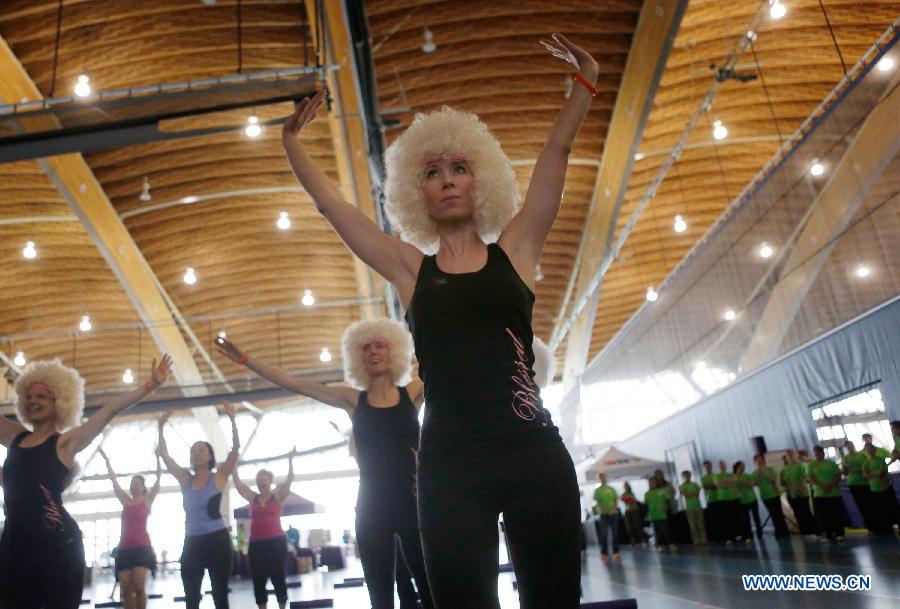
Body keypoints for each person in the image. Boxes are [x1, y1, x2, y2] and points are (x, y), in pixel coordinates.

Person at [280, 29, 599, 609]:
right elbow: (335, 208)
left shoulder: (518, 249)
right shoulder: (409, 269)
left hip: (533, 453)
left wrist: (585, 83)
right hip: (449, 467)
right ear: (416, 194)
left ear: (480, 180)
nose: (447, 179)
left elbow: (556, 155)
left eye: (458, 168)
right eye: (431, 172)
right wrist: (292, 143)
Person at [217, 320, 433, 609]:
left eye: (379, 345)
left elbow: (448, 365)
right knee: (381, 598)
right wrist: (244, 359)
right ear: (359, 358)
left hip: (412, 504)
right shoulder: (353, 399)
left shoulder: (413, 392)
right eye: (366, 347)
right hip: (372, 508)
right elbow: (295, 384)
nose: (373, 351)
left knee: (430, 590)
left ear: (393, 350)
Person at [0, 356, 171, 609]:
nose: (34, 401)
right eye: (29, 397)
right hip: (15, 544)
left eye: (42, 397)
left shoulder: (65, 443)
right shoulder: (14, 436)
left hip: (57, 547)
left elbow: (109, 410)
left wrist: (150, 385)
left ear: (59, 401)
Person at [157, 403, 240, 609]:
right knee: (191, 598)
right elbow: (165, 455)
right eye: (193, 451)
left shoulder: (218, 477)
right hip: (192, 542)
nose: (196, 454)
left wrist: (232, 419)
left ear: (210, 456)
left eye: (201, 450)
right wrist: (160, 427)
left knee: (220, 595)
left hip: (218, 541)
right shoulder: (185, 478)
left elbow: (236, 450)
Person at [232, 449, 297, 609]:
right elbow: (239, 484)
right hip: (256, 544)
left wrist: (290, 460)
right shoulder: (252, 497)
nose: (261, 482)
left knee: (278, 576)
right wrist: (233, 466)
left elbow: (289, 480)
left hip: (276, 542)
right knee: (258, 578)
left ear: (270, 480)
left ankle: (282, 605)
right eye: (259, 479)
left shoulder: (278, 496)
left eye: (264, 479)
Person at [99, 447, 162, 609]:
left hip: (142, 547)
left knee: (139, 586)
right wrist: (106, 461)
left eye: (136, 484)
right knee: (126, 589)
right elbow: (114, 481)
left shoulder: (147, 501)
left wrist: (158, 458)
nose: (133, 487)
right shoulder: (125, 500)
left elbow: (158, 480)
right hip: (125, 548)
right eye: (132, 485)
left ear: (142, 487)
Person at [806, 446, 846, 542]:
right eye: (814, 453)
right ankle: (828, 534)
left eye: (818, 452)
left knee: (836, 514)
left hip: (833, 493)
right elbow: (810, 477)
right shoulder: (811, 465)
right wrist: (821, 486)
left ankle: (839, 533)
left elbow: (838, 475)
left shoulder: (831, 463)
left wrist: (830, 485)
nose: (816, 454)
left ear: (822, 453)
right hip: (819, 494)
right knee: (823, 516)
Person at [862, 442, 899, 534]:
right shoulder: (866, 462)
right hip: (874, 489)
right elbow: (865, 475)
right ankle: (887, 528)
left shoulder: (880, 459)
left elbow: (881, 472)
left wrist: (870, 474)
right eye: (867, 450)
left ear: (874, 450)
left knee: (893, 508)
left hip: (885, 488)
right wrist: (872, 474)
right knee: (881, 511)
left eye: (871, 449)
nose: (870, 451)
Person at [781, 449, 817, 537]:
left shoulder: (801, 466)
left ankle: (813, 531)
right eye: (788, 455)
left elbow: (803, 478)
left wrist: (797, 489)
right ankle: (804, 532)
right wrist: (792, 490)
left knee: (806, 512)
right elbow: (787, 480)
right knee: (798, 513)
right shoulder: (785, 469)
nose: (790, 457)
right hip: (793, 494)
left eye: (791, 455)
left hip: (802, 493)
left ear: (795, 456)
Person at [753, 453, 788, 538]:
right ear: (755, 462)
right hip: (765, 496)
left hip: (774, 494)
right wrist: (758, 476)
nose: (759, 462)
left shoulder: (770, 469)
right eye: (758, 461)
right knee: (773, 514)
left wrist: (764, 475)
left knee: (779, 514)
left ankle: (785, 532)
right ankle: (778, 532)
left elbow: (773, 480)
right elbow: (755, 484)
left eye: (761, 460)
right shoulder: (755, 473)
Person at [841, 440, 873, 530]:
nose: (850, 447)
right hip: (853, 484)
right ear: (846, 448)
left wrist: (858, 471)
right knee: (861, 505)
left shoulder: (862, 455)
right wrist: (845, 467)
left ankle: (876, 524)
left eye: (851, 445)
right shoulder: (845, 458)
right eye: (847, 446)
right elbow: (845, 473)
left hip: (865, 482)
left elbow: (868, 467)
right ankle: (869, 527)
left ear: (853, 445)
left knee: (870, 504)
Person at [592, 472, 620, 560]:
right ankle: (604, 553)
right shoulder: (598, 490)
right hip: (604, 514)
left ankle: (616, 552)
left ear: (606, 478)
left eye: (604, 477)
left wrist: (613, 510)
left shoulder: (611, 489)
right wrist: (606, 510)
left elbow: (615, 500)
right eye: (601, 477)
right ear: (599, 479)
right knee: (604, 533)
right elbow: (598, 502)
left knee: (615, 533)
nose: (603, 479)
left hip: (613, 514)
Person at [645, 477, 674, 552]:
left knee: (665, 529)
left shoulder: (663, 490)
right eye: (651, 482)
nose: (652, 483)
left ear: (656, 482)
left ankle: (671, 544)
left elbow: (667, 500)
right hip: (654, 514)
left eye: (654, 482)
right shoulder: (647, 494)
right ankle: (661, 545)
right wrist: (648, 515)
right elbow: (647, 505)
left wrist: (666, 507)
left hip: (662, 513)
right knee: (657, 530)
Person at [736, 461, 762, 542]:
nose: (743, 467)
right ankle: (749, 536)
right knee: (746, 519)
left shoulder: (748, 475)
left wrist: (743, 482)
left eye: (744, 466)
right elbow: (736, 489)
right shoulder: (734, 477)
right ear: (738, 467)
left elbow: (751, 485)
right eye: (742, 466)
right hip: (743, 501)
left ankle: (759, 534)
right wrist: (742, 484)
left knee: (756, 517)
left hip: (752, 499)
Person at [715, 460, 741, 543]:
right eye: (720, 465)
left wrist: (726, 481)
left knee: (735, 518)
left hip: (733, 499)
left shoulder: (730, 474)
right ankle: (728, 538)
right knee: (726, 520)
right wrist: (728, 481)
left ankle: (736, 535)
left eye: (723, 465)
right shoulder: (717, 475)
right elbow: (719, 485)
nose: (722, 466)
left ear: (725, 466)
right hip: (723, 499)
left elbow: (735, 480)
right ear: (719, 467)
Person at [679, 471, 706, 545]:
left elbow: (696, 494)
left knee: (701, 524)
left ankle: (703, 539)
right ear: (683, 477)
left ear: (690, 475)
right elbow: (684, 494)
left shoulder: (695, 484)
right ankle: (696, 541)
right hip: (689, 508)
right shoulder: (682, 485)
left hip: (698, 506)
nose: (687, 476)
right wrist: (690, 493)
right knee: (692, 525)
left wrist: (688, 493)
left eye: (688, 475)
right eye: (685, 475)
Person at [620, 482, 645, 546]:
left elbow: (632, 501)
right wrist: (626, 499)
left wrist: (627, 500)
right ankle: (632, 540)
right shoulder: (623, 494)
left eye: (626, 486)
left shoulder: (632, 493)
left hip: (634, 511)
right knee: (629, 527)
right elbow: (622, 499)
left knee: (637, 525)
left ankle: (642, 539)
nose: (625, 487)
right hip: (627, 511)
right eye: (624, 486)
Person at [701, 460, 720, 543]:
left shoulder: (716, 475)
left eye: (709, 466)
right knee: (713, 520)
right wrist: (714, 485)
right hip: (710, 500)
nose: (708, 467)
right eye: (706, 466)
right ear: (704, 468)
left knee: (721, 519)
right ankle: (717, 538)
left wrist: (714, 485)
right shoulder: (703, 478)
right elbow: (706, 486)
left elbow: (718, 486)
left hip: (719, 499)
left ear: (711, 466)